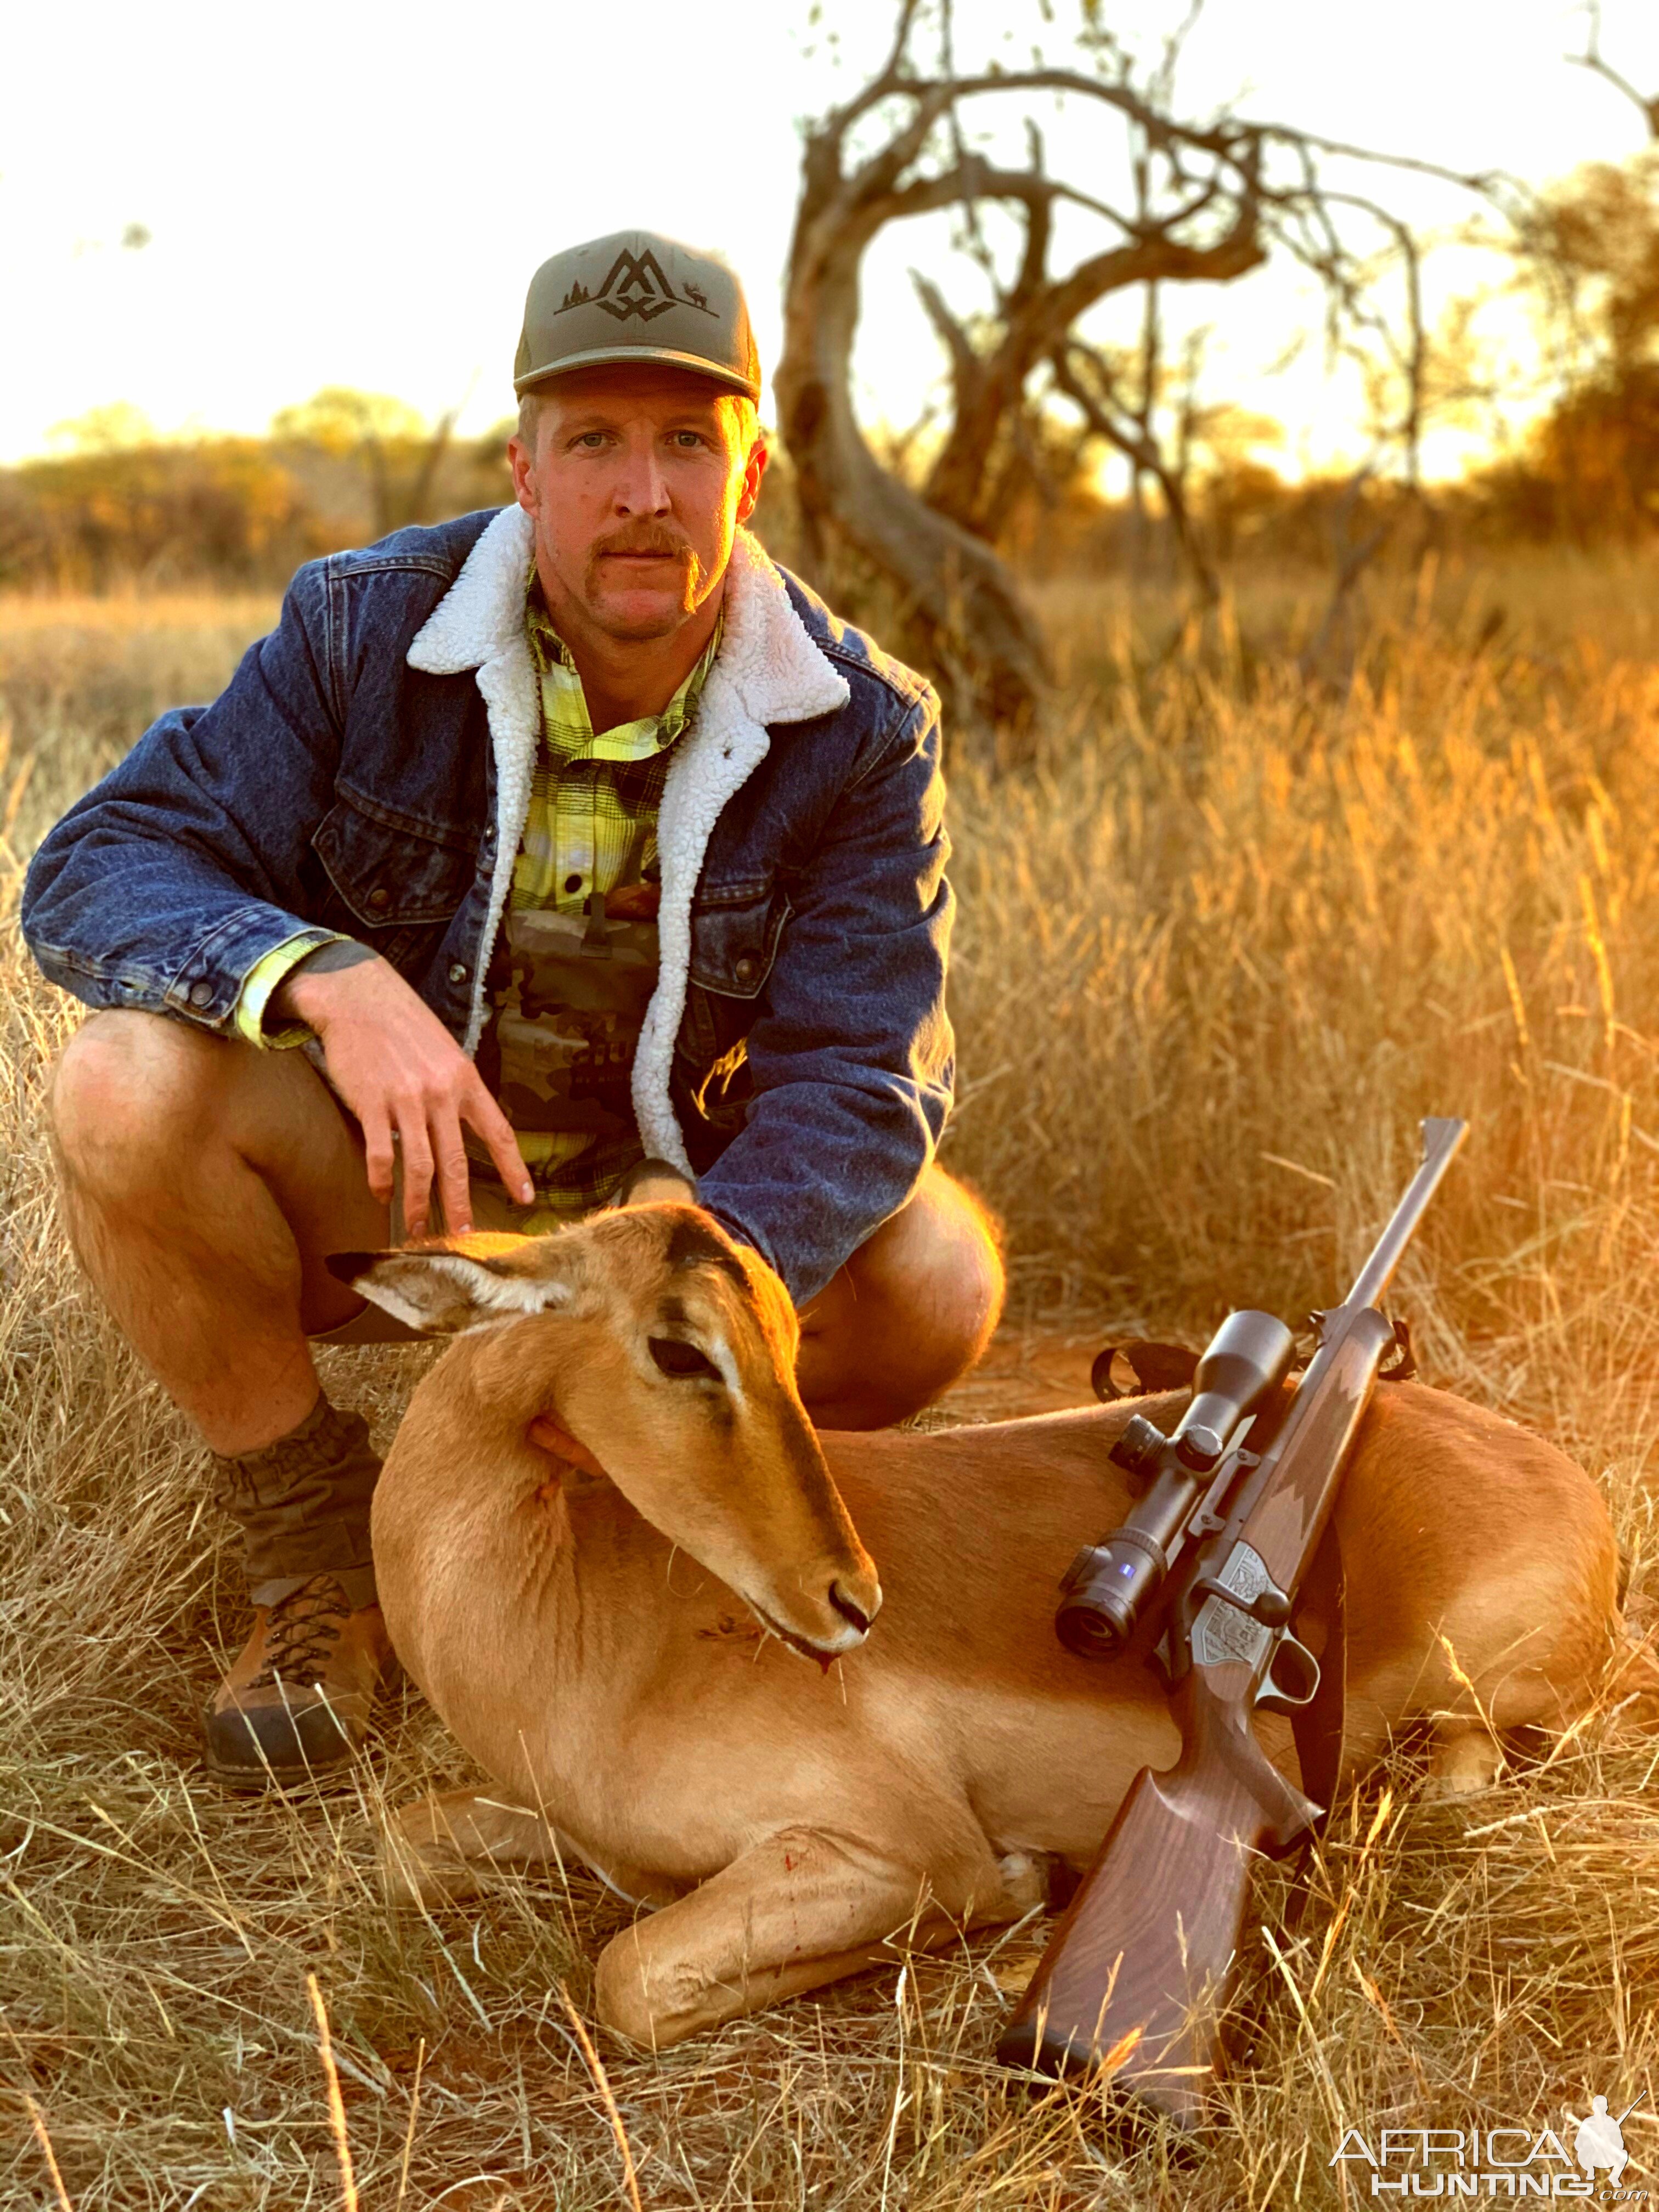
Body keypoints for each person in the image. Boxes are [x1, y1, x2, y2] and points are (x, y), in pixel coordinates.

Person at [21, 230, 1004, 1791]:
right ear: (525, 472)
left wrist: (697, 1261)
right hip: (421, 1191)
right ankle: (313, 1552)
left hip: (684, 1210)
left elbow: (865, 1071)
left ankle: (648, 1500)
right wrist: (323, 980)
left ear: (750, 478)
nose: (642, 490)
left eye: (689, 441)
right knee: (124, 1089)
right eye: (595, 441)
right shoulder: (358, 631)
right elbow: (97, 866)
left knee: (942, 1273)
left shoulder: (860, 726)